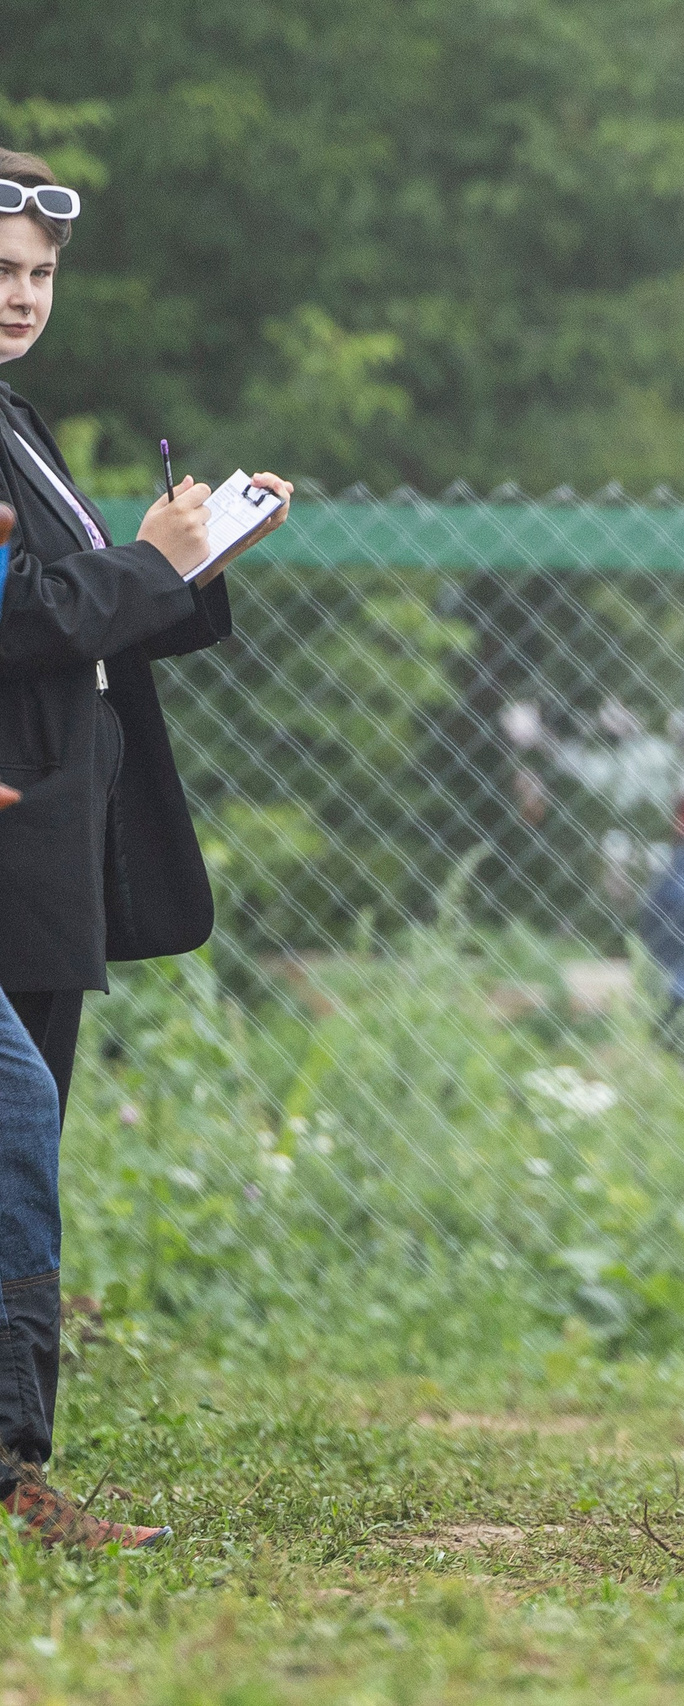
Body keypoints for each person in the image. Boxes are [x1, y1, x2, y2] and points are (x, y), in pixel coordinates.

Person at [0, 146, 289, 1546]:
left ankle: (15, 1463)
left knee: (27, 1128)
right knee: (14, 1128)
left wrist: (190, 564)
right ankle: (15, 1467)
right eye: (1, 271)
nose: (22, 296)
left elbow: (74, 614)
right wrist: (149, 562)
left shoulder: (17, 420)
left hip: (50, 845)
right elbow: (27, 621)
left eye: (40, 274)